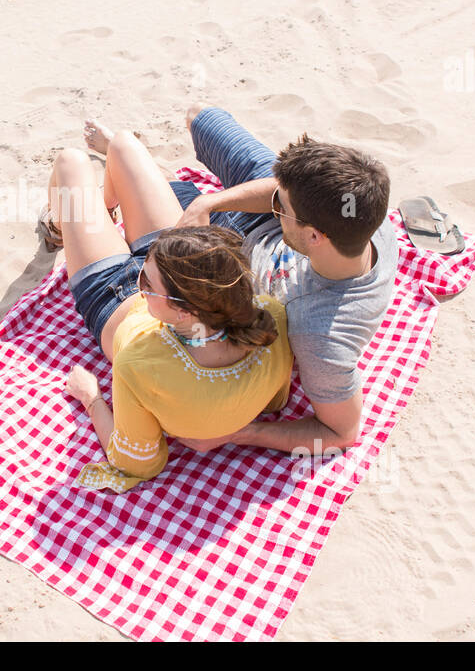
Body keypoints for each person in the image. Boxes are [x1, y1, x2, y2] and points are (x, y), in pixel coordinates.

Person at [39, 123, 294, 488]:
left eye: (144, 282)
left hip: (110, 295)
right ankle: (104, 213)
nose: (140, 279)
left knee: (70, 162)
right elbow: (274, 402)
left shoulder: (142, 364)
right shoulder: (272, 315)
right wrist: (159, 270)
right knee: (124, 144)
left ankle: (59, 223)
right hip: (172, 268)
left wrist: (91, 397)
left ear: (183, 313)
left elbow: (137, 463)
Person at [161, 104, 397, 456]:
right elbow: (277, 190)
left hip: (232, 247)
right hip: (271, 225)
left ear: (315, 237)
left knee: (155, 188)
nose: (276, 204)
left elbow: (340, 432)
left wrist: (241, 433)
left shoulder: (321, 336)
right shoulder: (360, 208)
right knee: (200, 118)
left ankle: (153, 178)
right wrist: (211, 201)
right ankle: (189, 191)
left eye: (281, 207)